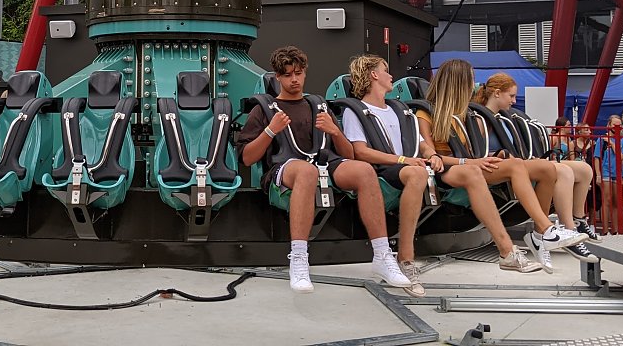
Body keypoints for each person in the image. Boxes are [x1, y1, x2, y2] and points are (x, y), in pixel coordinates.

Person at [236, 46, 411, 293]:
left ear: (305, 73)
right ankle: (299, 259)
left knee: (364, 171)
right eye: (287, 75)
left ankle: (382, 255)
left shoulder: (318, 105)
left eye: (298, 73)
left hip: (324, 162)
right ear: (277, 77)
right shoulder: (264, 109)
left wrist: (335, 131)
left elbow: (349, 154)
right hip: (284, 167)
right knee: (306, 172)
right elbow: (246, 158)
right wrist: (270, 130)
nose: (294, 79)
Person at [417, 59, 586, 273]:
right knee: (514, 166)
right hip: (449, 169)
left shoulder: (466, 114)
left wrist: (492, 156)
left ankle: (539, 234)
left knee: (545, 168)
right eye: (470, 80)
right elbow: (432, 156)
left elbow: (473, 150)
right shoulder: (426, 113)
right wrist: (471, 161)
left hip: (471, 163)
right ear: (459, 83)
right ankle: (546, 229)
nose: (474, 85)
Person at [339, 54, 448, 296]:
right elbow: (360, 151)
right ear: (374, 75)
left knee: (418, 171)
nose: (391, 76)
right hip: (381, 170)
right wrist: (402, 160)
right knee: (417, 173)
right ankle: (406, 258)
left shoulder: (400, 110)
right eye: (385, 70)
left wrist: (433, 154)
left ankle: (403, 257)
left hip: (407, 166)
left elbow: (420, 143)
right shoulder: (355, 111)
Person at [476, 73, 599, 269]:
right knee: (563, 172)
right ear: (497, 93)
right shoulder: (481, 118)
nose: (514, 101)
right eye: (511, 96)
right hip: (503, 163)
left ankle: (577, 219)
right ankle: (567, 230)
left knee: (584, 169)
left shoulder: (504, 118)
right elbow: (480, 150)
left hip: (516, 160)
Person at [592, 114, 623, 233]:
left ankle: (615, 229)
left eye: (619, 125)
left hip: (618, 172)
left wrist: (613, 144)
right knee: (607, 200)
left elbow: (621, 156)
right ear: (609, 125)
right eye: (614, 125)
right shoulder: (601, 139)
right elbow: (597, 158)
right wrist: (598, 174)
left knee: (616, 201)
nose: (616, 127)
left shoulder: (622, 140)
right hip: (605, 171)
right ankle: (605, 230)